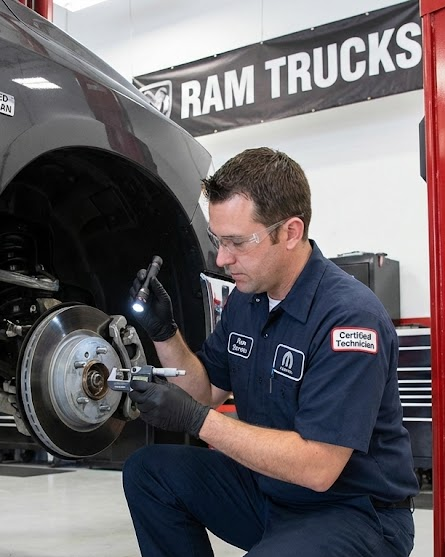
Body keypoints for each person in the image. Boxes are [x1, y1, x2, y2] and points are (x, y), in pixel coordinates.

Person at [123, 147, 418, 557]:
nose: (223, 259)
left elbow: (318, 467)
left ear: (291, 232)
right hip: (273, 494)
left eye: (237, 242)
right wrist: (164, 332)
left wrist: (197, 421)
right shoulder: (248, 300)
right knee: (149, 471)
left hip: (354, 512)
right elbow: (204, 394)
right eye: (217, 241)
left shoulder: (349, 319)